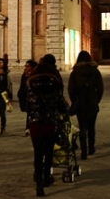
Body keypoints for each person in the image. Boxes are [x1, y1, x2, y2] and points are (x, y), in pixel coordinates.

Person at [27, 54, 68, 197]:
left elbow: (28, 103)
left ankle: (39, 184)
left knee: (38, 154)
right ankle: (46, 178)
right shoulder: (55, 80)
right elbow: (60, 103)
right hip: (50, 122)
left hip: (35, 123)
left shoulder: (32, 82)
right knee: (49, 152)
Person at [67, 51, 104, 160]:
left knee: (82, 127)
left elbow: (70, 89)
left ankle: (83, 152)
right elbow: (100, 88)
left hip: (80, 103)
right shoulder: (95, 71)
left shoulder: (75, 72)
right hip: (92, 102)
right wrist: (96, 100)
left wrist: (75, 100)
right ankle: (91, 148)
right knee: (91, 127)